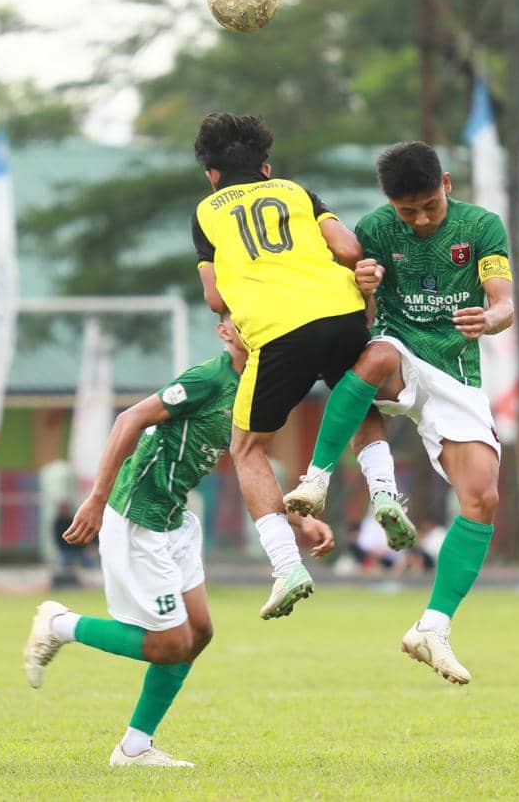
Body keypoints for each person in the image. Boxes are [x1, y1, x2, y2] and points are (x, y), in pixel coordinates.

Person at [23, 316, 333, 769]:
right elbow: (130, 418)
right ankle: (60, 625)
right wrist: (95, 497)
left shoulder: (256, 387)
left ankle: (133, 749)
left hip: (174, 520)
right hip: (138, 516)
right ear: (225, 331)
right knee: (170, 643)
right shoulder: (209, 378)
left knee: (199, 633)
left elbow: (251, 461)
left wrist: (299, 522)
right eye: (240, 319)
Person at [284, 140, 515, 684]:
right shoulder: (375, 229)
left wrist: (492, 317)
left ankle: (432, 628)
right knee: (375, 354)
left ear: (448, 185)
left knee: (482, 497)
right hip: (398, 350)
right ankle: (315, 480)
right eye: (406, 211)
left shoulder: (482, 227)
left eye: (429, 206)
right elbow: (357, 317)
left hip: (455, 374)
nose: (419, 219)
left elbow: (503, 299)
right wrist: (364, 288)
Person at [190, 112, 376, 619]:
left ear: (211, 174)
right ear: (266, 167)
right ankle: (385, 494)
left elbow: (213, 297)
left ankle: (286, 565)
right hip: (342, 314)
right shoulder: (296, 192)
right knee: (357, 396)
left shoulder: (207, 212)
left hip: (279, 334)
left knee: (247, 448)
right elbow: (348, 248)